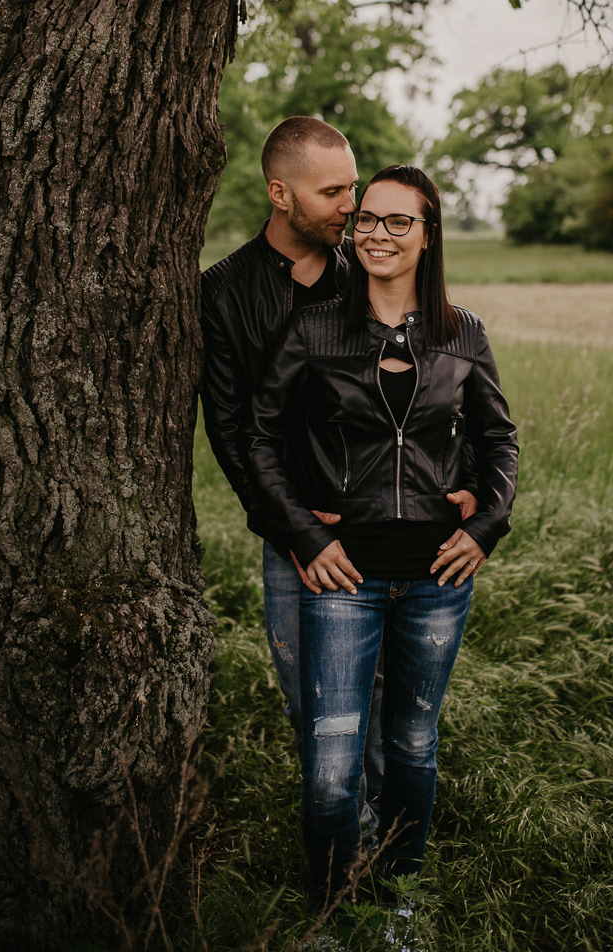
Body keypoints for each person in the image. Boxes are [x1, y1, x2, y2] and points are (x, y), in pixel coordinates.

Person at [248, 164, 519, 916]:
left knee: (412, 746)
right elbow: (261, 438)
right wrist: (303, 532)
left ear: (428, 237)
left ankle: (398, 905)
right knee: (332, 767)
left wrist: (487, 524)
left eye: (400, 221)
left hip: (438, 580)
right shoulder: (315, 328)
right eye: (368, 218)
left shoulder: (463, 333)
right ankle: (335, 914)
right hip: (343, 577)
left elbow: (499, 440)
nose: (377, 233)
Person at [200, 118, 478, 833]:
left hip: (377, 531)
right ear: (280, 194)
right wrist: (294, 530)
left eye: (354, 188)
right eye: (333, 193)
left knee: (386, 700)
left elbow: (441, 395)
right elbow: (232, 431)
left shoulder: (369, 272)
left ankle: (387, 846)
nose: (352, 208)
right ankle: (346, 845)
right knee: (315, 706)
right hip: (292, 534)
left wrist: (470, 485)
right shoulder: (225, 292)